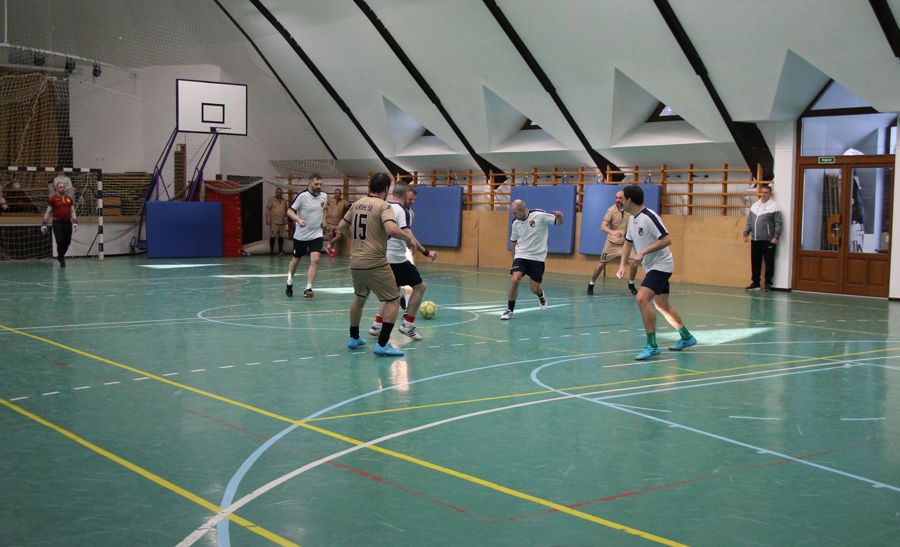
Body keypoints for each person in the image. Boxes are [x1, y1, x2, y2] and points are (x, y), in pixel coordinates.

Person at [336, 172, 412, 356]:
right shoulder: (383, 206)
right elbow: (392, 229)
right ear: (386, 188)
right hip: (375, 261)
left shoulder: (357, 203)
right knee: (393, 299)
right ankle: (383, 344)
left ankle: (354, 337)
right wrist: (408, 238)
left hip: (356, 260)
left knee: (360, 297)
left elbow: (341, 227)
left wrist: (355, 239)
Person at [617, 185, 696, 360]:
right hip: (652, 267)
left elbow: (667, 239)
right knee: (662, 305)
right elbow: (628, 243)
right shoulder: (632, 219)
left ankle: (652, 346)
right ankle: (687, 337)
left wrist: (643, 252)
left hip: (661, 265)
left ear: (629, 200)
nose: (619, 201)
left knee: (641, 298)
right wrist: (622, 265)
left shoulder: (649, 217)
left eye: (622, 198)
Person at [368, 184, 437, 341]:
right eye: (410, 199)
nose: (411, 202)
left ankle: (377, 325)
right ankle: (408, 325)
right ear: (405, 195)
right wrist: (426, 252)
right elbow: (408, 235)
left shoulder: (384, 207)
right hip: (396, 259)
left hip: (381, 257)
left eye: (414, 200)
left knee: (391, 293)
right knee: (420, 287)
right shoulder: (403, 211)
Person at [500, 199, 563, 321]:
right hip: (521, 255)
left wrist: (560, 217)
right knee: (515, 279)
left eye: (515, 213)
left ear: (523, 210)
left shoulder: (539, 215)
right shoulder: (515, 223)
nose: (513, 215)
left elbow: (558, 222)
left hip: (537, 257)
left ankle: (541, 295)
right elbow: (513, 242)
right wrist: (514, 260)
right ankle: (510, 310)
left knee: (534, 288)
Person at [587, 190, 638, 296]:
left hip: (626, 244)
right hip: (611, 244)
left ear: (625, 199)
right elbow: (603, 227)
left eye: (620, 198)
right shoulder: (611, 210)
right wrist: (613, 232)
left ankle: (631, 283)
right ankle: (591, 283)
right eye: (616, 198)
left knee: (634, 263)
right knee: (601, 265)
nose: (617, 200)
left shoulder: (630, 209)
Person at [285, 174, 327, 298]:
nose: (318, 186)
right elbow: (289, 211)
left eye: (320, 184)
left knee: (315, 259)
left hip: (317, 233)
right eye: (316, 184)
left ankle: (308, 288)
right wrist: (298, 219)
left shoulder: (324, 196)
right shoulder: (302, 196)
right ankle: (289, 281)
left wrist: (324, 220)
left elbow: (324, 208)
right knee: (296, 260)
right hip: (301, 235)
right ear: (310, 183)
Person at [743, 184, 782, 292]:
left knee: (769, 262)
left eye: (766, 193)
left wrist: (776, 237)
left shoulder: (774, 206)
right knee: (755, 262)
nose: (763, 194)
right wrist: (746, 233)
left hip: (768, 240)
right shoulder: (755, 205)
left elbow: (778, 223)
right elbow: (750, 221)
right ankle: (755, 283)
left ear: (770, 194)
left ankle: (768, 284)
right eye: (762, 192)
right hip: (755, 239)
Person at [42, 180, 77, 267]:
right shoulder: (53, 199)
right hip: (57, 222)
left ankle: (60, 256)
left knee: (68, 241)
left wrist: (75, 221)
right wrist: (44, 222)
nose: (62, 188)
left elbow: (72, 211)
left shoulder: (69, 199)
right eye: (60, 187)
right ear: (57, 188)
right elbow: (48, 211)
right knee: (60, 241)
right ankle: (61, 258)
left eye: (63, 187)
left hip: (67, 222)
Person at [324, 187, 350, 256]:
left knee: (338, 236)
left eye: (339, 193)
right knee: (331, 237)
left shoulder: (344, 201)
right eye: (337, 193)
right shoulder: (330, 201)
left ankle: (329, 244)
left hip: (338, 223)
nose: (338, 194)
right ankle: (331, 251)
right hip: (329, 222)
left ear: (341, 194)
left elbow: (349, 206)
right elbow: (323, 206)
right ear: (334, 194)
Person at [265, 187, 289, 255]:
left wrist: (286, 219)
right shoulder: (271, 200)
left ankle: (280, 251)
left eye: (280, 192)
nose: (279, 193)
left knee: (281, 236)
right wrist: (267, 219)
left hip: (282, 222)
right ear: (275, 193)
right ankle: (271, 251)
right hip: (274, 222)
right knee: (272, 236)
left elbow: (286, 211)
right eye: (278, 192)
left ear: (282, 193)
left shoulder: (284, 201)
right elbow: (267, 210)